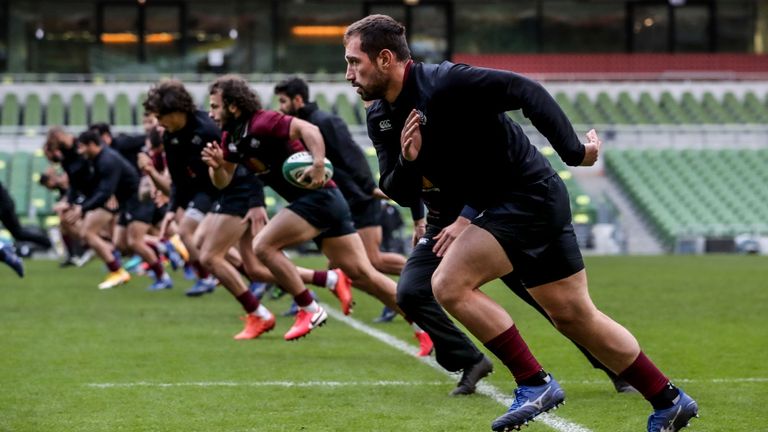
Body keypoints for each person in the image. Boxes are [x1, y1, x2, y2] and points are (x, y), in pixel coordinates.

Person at [344, 15, 697, 432]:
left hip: (528, 196)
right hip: (516, 205)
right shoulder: (380, 116)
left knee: (448, 284)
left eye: (354, 62)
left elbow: (524, 90)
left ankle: (534, 383)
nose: (349, 74)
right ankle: (669, 400)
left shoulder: (445, 83)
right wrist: (409, 159)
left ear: (385, 58)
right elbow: (399, 189)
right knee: (574, 316)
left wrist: (573, 151)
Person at [202, 75, 431, 352]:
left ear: (233, 107)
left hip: (319, 198)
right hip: (325, 202)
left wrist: (319, 163)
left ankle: (308, 307)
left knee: (263, 246)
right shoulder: (231, 137)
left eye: (215, 106)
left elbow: (308, 130)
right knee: (363, 275)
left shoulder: (263, 121)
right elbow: (223, 181)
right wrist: (216, 167)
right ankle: (425, 327)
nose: (211, 113)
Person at [143, 80, 222, 296]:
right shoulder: (170, 136)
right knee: (199, 239)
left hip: (230, 191)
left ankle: (211, 278)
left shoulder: (208, 129)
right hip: (206, 192)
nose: (158, 123)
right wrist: (171, 210)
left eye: (160, 117)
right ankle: (209, 278)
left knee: (255, 250)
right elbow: (177, 178)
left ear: (176, 111)